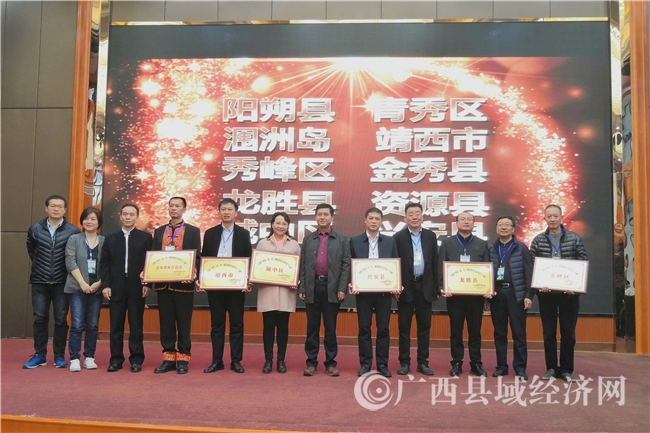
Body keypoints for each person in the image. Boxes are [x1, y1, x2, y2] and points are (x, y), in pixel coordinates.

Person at [529, 204, 587, 383]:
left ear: (562, 218)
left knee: (568, 333)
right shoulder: (538, 240)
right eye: (549, 216)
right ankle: (552, 368)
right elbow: (532, 264)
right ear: (544, 218)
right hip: (547, 295)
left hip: (569, 294)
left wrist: (576, 286)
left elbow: (582, 261)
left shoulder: (574, 238)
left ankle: (567, 369)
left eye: (556, 216)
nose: (552, 219)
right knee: (549, 333)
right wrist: (539, 286)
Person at [24, 195, 80, 369]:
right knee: (40, 318)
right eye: (53, 206)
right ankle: (40, 355)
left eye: (60, 206)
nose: (56, 209)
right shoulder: (35, 229)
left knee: (61, 319)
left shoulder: (73, 230)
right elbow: (32, 251)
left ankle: (59, 356)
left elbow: (75, 255)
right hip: (40, 281)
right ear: (46, 208)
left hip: (62, 282)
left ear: (65, 210)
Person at [298, 203, 350, 377]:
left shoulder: (342, 239)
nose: (322, 217)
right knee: (312, 327)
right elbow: (303, 265)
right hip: (312, 287)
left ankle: (331, 363)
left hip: (332, 288)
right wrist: (303, 287)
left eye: (326, 214)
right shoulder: (308, 239)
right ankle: (311, 363)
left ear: (332, 217)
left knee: (330, 328)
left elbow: (346, 265)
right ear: (315, 217)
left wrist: (342, 288)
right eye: (319, 214)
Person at [100, 203, 153, 373]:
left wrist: (147, 284)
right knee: (116, 325)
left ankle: (136, 360)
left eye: (131, 214)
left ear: (137, 217)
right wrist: (106, 285)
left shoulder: (146, 238)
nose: (128, 217)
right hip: (116, 287)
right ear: (120, 216)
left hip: (137, 287)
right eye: (125, 214)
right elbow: (104, 264)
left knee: (136, 325)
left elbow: (150, 263)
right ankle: (116, 360)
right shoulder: (110, 239)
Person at [151, 197, 201, 375]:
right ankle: (168, 358)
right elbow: (153, 256)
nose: (173, 208)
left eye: (177, 206)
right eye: (171, 205)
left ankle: (183, 358)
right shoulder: (159, 231)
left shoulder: (193, 231)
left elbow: (197, 256)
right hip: (163, 285)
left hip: (184, 286)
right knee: (166, 323)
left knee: (184, 323)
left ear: (184, 209)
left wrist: (194, 273)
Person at [201, 198, 252, 374]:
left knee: (236, 324)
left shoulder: (243, 234)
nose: (226, 212)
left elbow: (248, 258)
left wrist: (247, 279)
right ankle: (217, 361)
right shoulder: (210, 233)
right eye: (223, 209)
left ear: (236, 213)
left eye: (230, 209)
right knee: (217, 325)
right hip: (215, 286)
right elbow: (204, 258)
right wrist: (203, 278)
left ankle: (236, 361)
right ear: (219, 212)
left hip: (236, 286)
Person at [438, 211, 491, 378]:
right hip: (454, 296)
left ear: (474, 224)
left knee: (475, 331)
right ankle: (456, 362)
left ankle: (476, 363)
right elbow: (440, 266)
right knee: (456, 330)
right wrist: (442, 286)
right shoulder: (447, 243)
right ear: (456, 223)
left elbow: (488, 268)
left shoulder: (481, 243)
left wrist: (487, 290)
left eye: (469, 219)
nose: (466, 222)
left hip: (475, 296)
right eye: (463, 219)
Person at [349, 207, 400, 378]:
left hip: (384, 292)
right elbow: (350, 264)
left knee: (383, 328)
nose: (373, 221)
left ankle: (382, 364)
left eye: (377, 218)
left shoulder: (390, 241)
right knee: (364, 328)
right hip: (363, 292)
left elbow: (395, 264)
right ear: (365, 220)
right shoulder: (355, 241)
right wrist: (352, 282)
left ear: (381, 221)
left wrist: (396, 284)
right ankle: (365, 363)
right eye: (370, 218)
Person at [393, 202, 439, 376]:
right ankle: (404, 362)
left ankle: (423, 362)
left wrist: (436, 287)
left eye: (417, 213)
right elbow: (395, 264)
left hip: (425, 286)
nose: (414, 217)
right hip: (406, 287)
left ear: (422, 217)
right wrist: (396, 287)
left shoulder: (430, 236)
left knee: (424, 327)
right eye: (411, 214)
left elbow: (435, 262)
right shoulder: (398, 237)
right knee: (404, 327)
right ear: (405, 218)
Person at [487, 216, 533, 380]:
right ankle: (501, 366)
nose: (503, 227)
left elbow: (528, 272)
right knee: (499, 333)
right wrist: (487, 296)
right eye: (500, 224)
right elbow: (485, 273)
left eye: (507, 225)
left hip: (516, 294)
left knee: (518, 333)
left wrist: (529, 294)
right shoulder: (491, 249)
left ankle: (520, 368)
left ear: (513, 229)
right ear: (496, 228)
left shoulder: (521, 248)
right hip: (497, 294)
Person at [256, 212, 301, 374]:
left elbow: (299, 268)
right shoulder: (263, 243)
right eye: (278, 223)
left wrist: (296, 279)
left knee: (283, 328)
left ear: (288, 226)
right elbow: (257, 267)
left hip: (286, 292)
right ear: (272, 224)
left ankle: (281, 360)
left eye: (284, 223)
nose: (280, 226)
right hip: (268, 291)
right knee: (268, 327)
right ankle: (268, 361)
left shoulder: (294, 245)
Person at [64, 207, 105, 372]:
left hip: (97, 288)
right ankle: (74, 358)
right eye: (86, 218)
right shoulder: (74, 239)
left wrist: (99, 283)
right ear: (82, 221)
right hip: (77, 287)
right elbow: (70, 262)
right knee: (77, 324)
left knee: (93, 325)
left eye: (93, 219)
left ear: (99, 222)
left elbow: (108, 265)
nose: (89, 222)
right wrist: (82, 283)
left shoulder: (104, 241)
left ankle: (89, 357)